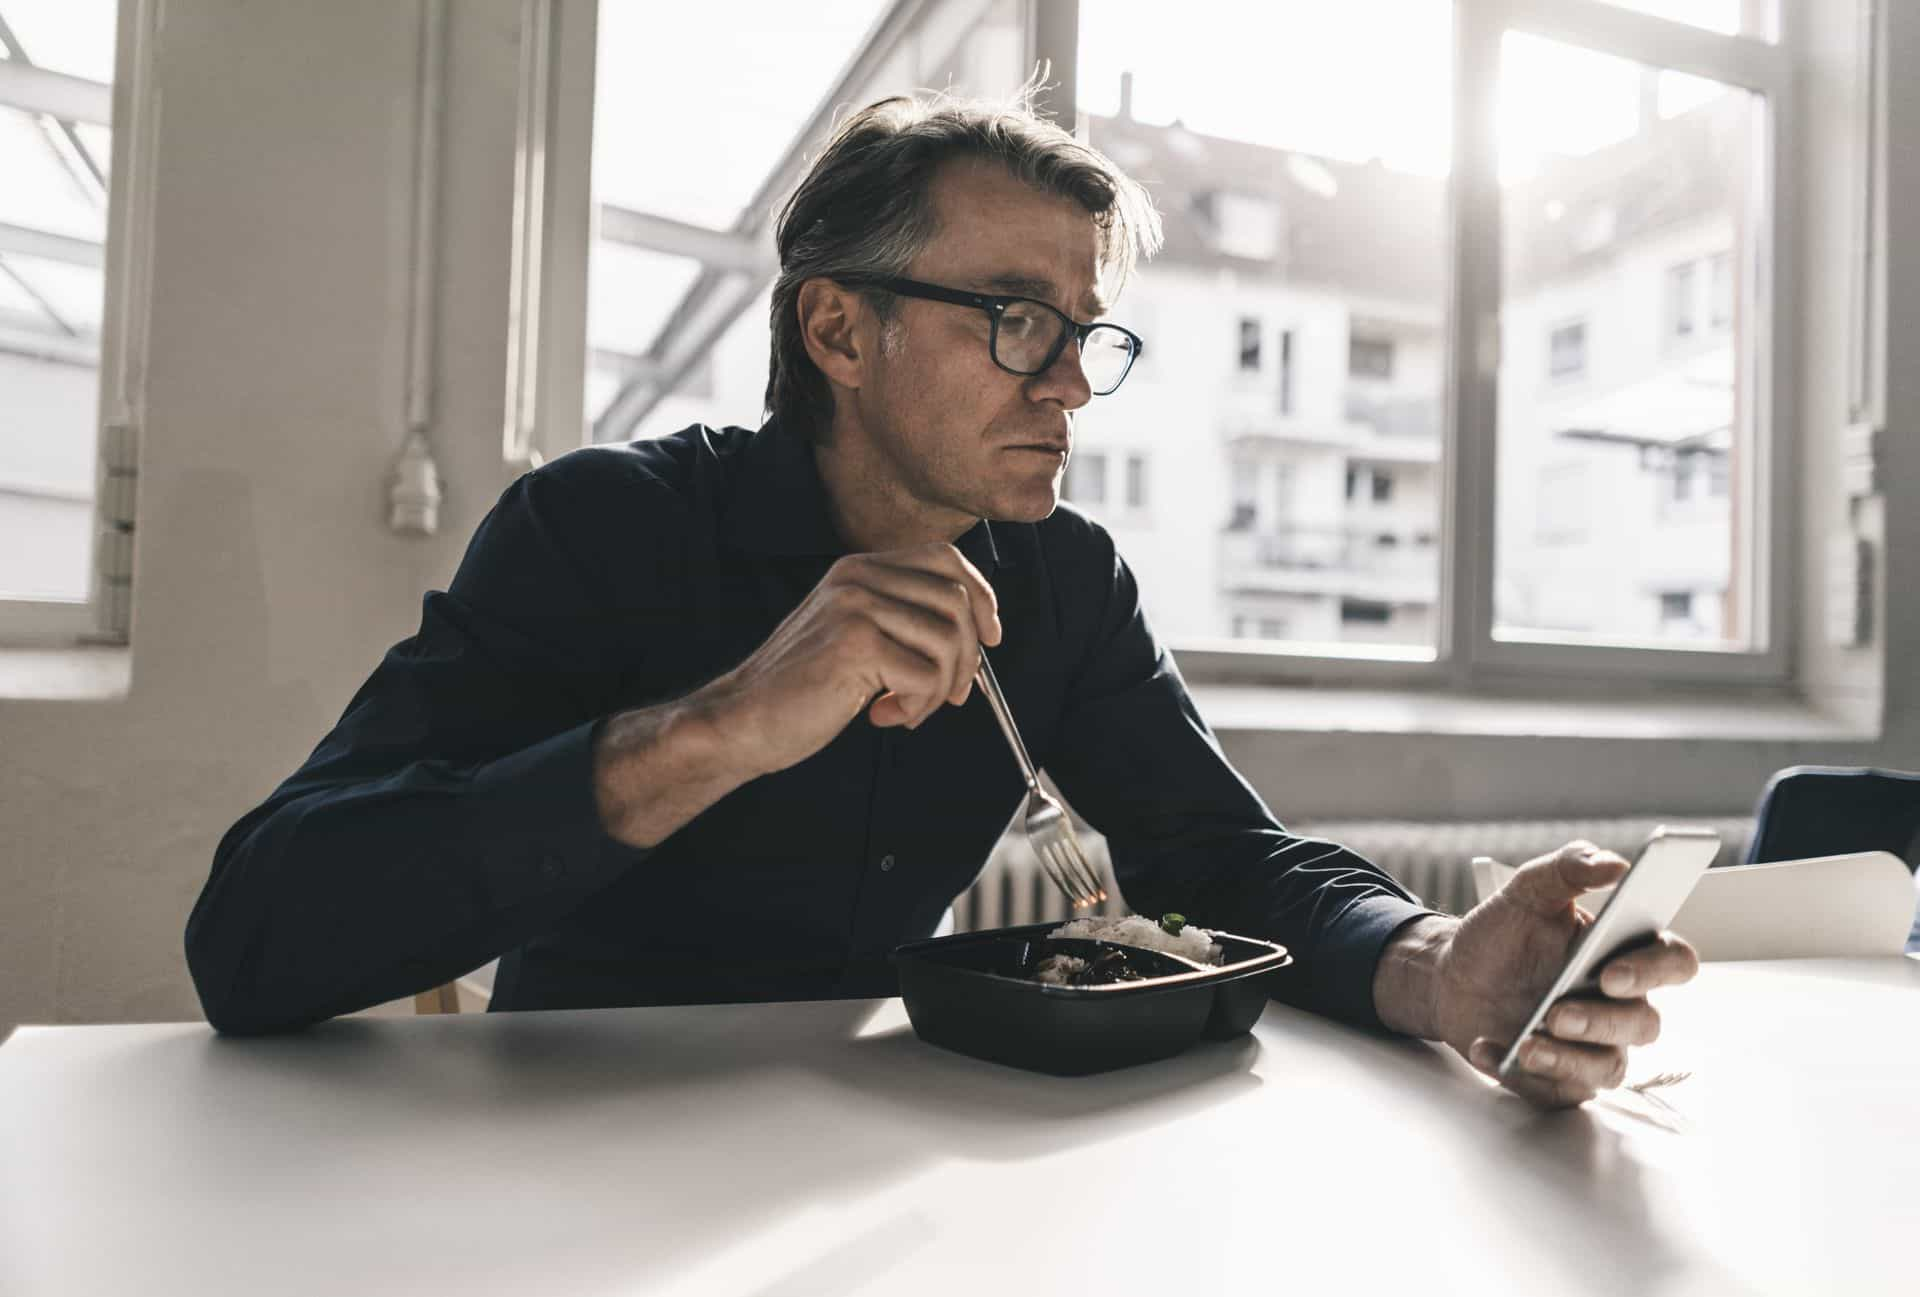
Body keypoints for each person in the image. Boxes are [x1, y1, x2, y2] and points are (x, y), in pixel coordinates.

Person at [185, 86, 1696, 1108]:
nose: (1067, 389)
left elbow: (1217, 858)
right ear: (839, 328)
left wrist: (1438, 970)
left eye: (1083, 335)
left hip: (882, 1147)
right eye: (1014, 321)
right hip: (572, 1144)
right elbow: (253, 942)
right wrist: (716, 730)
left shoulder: (1061, 580)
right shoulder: (603, 531)